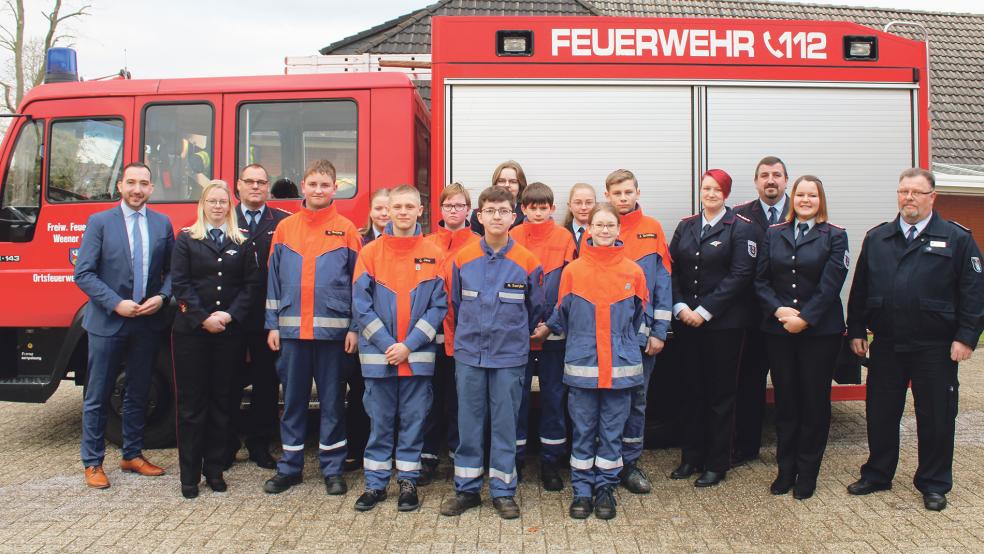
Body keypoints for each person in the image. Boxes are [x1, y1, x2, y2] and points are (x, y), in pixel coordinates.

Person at [846, 168, 983, 512]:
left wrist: (966, 337)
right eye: (903, 191)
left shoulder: (956, 238)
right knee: (880, 412)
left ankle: (934, 482)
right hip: (888, 344)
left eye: (916, 193)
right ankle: (878, 473)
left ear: (932, 197)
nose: (908, 198)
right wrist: (858, 330)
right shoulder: (878, 238)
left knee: (936, 415)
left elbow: (973, 292)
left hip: (935, 347)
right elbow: (860, 289)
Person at [533, 202, 650, 520]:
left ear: (618, 229)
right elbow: (563, 316)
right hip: (583, 368)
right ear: (589, 229)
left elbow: (638, 317)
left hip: (620, 369)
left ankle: (605, 490)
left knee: (612, 431)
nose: (604, 230)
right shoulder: (574, 271)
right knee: (583, 431)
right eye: (598, 225)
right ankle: (582, 491)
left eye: (610, 225)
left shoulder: (633, 272)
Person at [440, 186, 544, 520]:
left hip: (509, 358)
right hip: (469, 355)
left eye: (503, 211)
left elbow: (535, 308)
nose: (496, 217)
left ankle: (502, 491)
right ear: (479, 216)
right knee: (468, 423)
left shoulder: (528, 262)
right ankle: (467, 490)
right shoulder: (462, 259)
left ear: (513, 217)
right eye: (490, 211)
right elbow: (453, 304)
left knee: (505, 425)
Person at [262, 159, 360, 496]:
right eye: (313, 184)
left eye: (325, 185)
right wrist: (272, 324)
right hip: (291, 334)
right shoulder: (285, 229)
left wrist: (354, 328)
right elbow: (273, 281)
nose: (319, 190)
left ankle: (332, 468)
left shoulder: (347, 230)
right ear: (303, 187)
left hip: (333, 337)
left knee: (333, 402)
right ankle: (290, 468)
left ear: (336, 189)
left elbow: (358, 286)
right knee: (292, 402)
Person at [73, 162, 173, 489]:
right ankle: (93, 462)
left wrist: (162, 297)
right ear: (119, 186)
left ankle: (132, 454)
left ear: (152, 189)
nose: (137, 189)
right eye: (131, 182)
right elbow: (84, 273)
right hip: (108, 321)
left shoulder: (161, 224)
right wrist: (116, 302)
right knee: (99, 394)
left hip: (146, 322)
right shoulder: (100, 222)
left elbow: (173, 272)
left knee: (139, 391)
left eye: (144, 183)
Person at [351, 185, 447, 512]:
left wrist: (408, 345)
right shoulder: (370, 253)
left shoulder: (434, 252)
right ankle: (375, 485)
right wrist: (389, 345)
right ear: (387, 211)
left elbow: (439, 307)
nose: (404, 212)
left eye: (410, 206)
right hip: (379, 359)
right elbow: (360, 306)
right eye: (398, 207)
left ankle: (407, 482)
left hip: (417, 359)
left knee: (413, 420)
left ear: (421, 210)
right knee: (379, 421)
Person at [754, 175, 849, 500]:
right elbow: (760, 280)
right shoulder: (774, 233)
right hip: (779, 331)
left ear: (820, 200)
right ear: (792, 199)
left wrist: (805, 319)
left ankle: (807, 474)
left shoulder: (835, 235)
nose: (806, 200)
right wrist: (780, 313)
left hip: (819, 333)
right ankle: (785, 471)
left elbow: (831, 283)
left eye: (812, 195)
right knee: (786, 401)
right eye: (801, 195)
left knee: (813, 402)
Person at [668, 169, 759, 487]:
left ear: (726, 194)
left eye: (717, 189)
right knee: (691, 391)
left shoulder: (741, 228)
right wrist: (679, 307)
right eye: (706, 188)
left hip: (723, 325)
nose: (710, 194)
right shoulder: (686, 226)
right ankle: (690, 457)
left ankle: (716, 462)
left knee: (720, 395)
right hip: (687, 324)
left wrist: (705, 311)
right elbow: (672, 269)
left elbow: (740, 276)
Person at [171, 181, 260, 498]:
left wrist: (228, 316)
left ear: (230, 205)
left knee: (224, 403)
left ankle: (215, 470)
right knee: (192, 407)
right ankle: (189, 476)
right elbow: (180, 286)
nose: (219, 206)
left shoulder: (242, 241)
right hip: (192, 335)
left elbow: (251, 286)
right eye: (213, 201)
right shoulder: (186, 239)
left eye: (224, 201)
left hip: (228, 335)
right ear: (203, 204)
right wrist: (201, 317)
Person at [603, 169, 672, 494]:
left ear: (637, 193)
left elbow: (663, 283)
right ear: (608, 196)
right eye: (617, 193)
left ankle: (629, 464)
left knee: (636, 401)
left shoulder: (652, 230)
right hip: (604, 338)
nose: (623, 198)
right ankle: (606, 461)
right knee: (605, 402)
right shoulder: (600, 230)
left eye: (628, 192)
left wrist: (660, 330)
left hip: (641, 339)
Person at [509, 182, 576, 490]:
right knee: (515, 402)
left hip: (553, 337)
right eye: (531, 207)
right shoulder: (512, 237)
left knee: (553, 400)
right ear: (522, 209)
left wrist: (550, 324)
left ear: (552, 208)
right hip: (518, 338)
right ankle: (516, 462)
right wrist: (522, 325)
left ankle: (551, 464)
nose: (537, 212)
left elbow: (569, 288)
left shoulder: (564, 239)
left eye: (543, 207)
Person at [228, 164, 290, 470]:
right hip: (231, 316)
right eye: (249, 182)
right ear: (237, 186)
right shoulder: (223, 218)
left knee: (267, 382)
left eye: (261, 182)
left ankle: (259, 443)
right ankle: (225, 444)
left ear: (268, 187)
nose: (255, 187)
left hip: (268, 317)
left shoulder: (282, 221)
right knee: (228, 381)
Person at [732, 156, 790, 465]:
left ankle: (788, 451)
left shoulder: (803, 211)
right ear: (756, 182)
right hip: (752, 320)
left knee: (789, 387)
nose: (771, 180)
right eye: (765, 175)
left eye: (777, 175)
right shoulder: (740, 216)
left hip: (789, 321)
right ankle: (746, 447)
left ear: (785, 180)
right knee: (749, 387)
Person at [420, 183, 479, 484]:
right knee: (429, 399)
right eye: (448, 206)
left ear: (469, 209)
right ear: (440, 210)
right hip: (429, 336)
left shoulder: (480, 244)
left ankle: (459, 455)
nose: (454, 211)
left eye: (459, 205)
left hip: (465, 338)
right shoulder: (427, 244)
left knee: (461, 401)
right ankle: (427, 455)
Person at [468, 161, 528, 235]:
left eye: (513, 181)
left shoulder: (528, 213)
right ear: (495, 184)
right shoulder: (478, 214)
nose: (507, 185)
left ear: (520, 185)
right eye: (501, 181)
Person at [564, 182, 597, 256]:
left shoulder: (602, 234)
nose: (584, 207)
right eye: (578, 203)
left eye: (588, 203)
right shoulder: (561, 234)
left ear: (595, 205)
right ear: (569, 206)